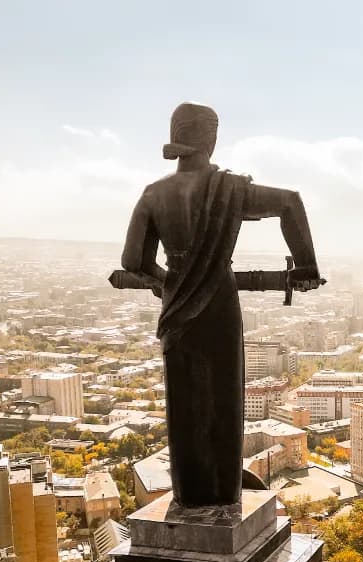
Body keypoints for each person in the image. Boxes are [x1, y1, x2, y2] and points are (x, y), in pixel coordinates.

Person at [120, 102, 321, 507]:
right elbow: (290, 201)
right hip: (220, 304)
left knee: (184, 403)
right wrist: (306, 266)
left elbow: (133, 261)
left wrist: (171, 282)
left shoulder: (154, 193)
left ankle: (190, 494)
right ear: (209, 139)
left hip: (177, 310)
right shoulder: (230, 188)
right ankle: (225, 490)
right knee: (224, 398)